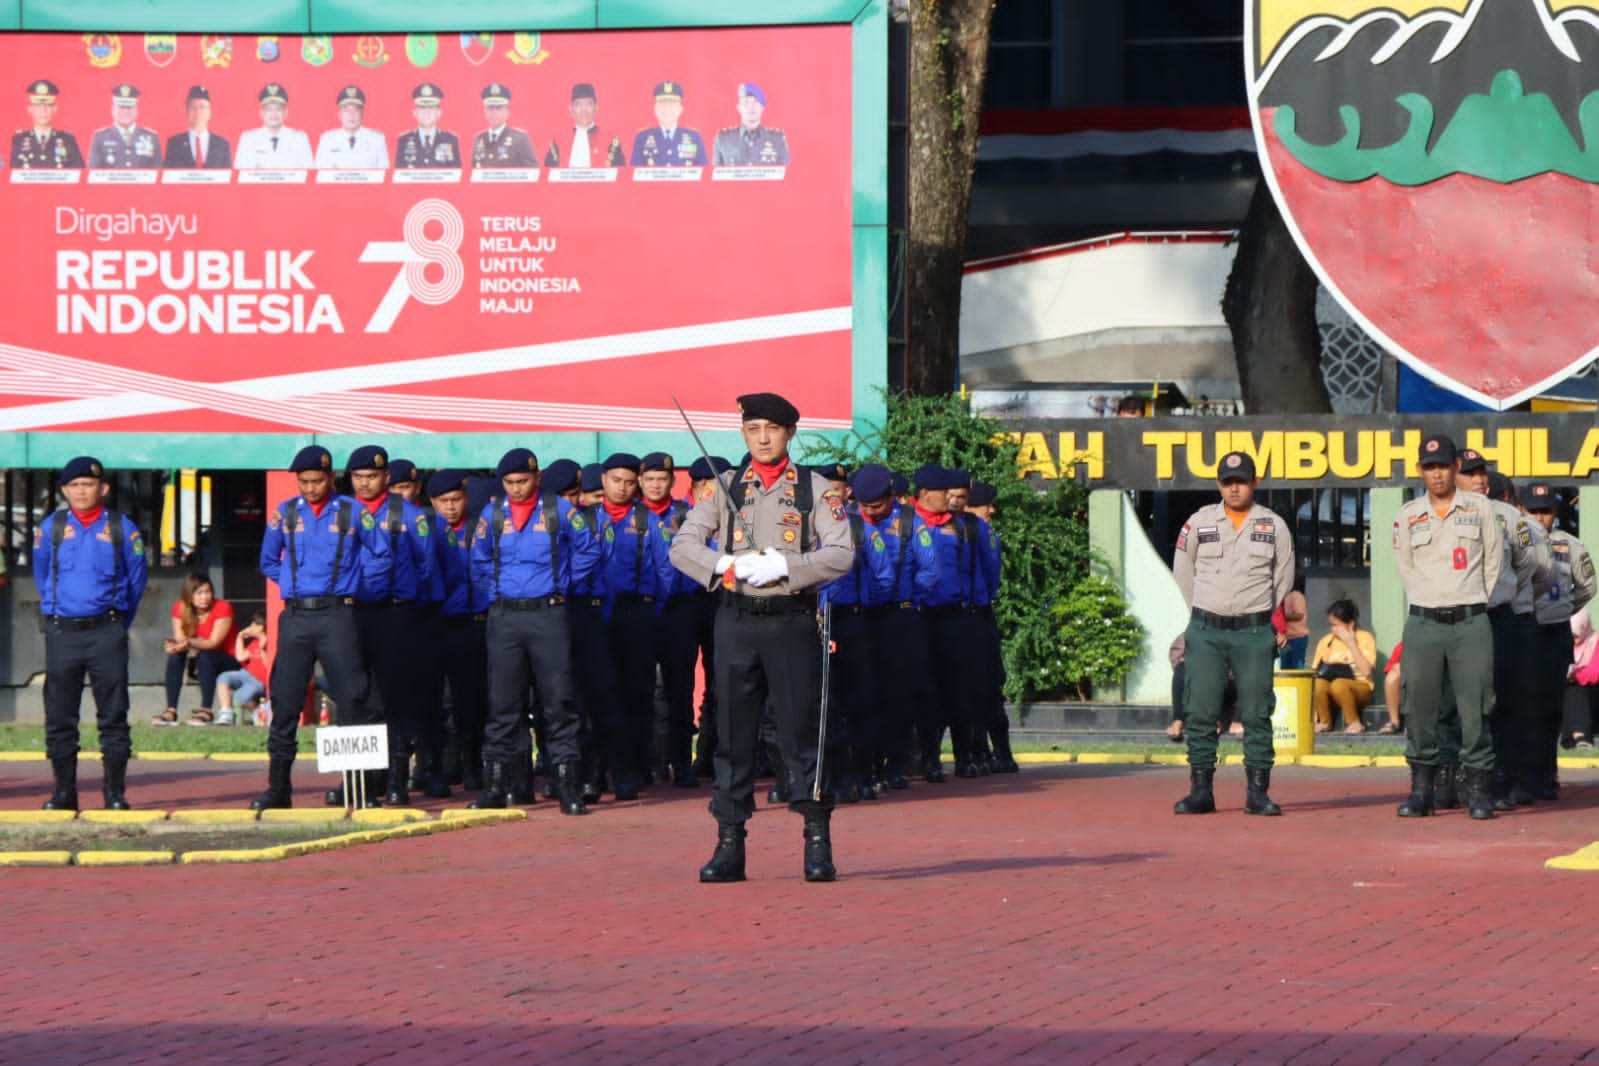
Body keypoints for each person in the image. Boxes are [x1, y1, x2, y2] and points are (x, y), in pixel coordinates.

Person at [669, 392, 853, 883]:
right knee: (732, 735)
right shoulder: (726, 488)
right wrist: (723, 564)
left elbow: (840, 554)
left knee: (801, 733)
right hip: (736, 620)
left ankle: (817, 840)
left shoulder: (816, 491)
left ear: (790, 432)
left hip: (790, 621)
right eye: (754, 429)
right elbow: (683, 546)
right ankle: (730, 843)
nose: (763, 437)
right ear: (744, 434)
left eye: (773, 428)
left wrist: (787, 567)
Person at [251, 445, 387, 811]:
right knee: (285, 701)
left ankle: (359, 788)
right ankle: (278, 788)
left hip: (337, 615)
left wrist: (354, 585)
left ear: (330, 478)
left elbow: (381, 555)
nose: (310, 488)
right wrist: (294, 584)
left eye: (317, 481)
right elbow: (267, 560)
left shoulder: (352, 511)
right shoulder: (285, 514)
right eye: (304, 482)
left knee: (352, 700)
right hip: (296, 616)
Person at [469, 448, 600, 814]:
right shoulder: (492, 513)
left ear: (537, 477)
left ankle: (567, 787)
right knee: (503, 704)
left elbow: (589, 550)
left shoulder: (560, 509)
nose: (517, 489)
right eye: (509, 483)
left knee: (559, 701)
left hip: (549, 615)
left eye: (523, 481)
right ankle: (498, 786)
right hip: (505, 617)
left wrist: (563, 584)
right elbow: (477, 559)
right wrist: (496, 593)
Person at [1170, 451, 1294, 816]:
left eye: (1241, 480)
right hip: (1207, 630)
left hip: (1253, 631)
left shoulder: (1273, 525)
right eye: (1228, 481)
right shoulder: (1199, 522)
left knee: (1256, 711)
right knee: (1201, 710)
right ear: (1218, 484)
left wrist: (1257, 610)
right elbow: (1183, 570)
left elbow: (1283, 576)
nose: (1234, 487)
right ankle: (1200, 790)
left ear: (1255, 482)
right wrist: (1204, 610)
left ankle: (1257, 792)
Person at [1391, 434, 1502, 820]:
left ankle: (1478, 791)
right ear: (1420, 471)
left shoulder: (1480, 508)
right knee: (1419, 706)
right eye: (1429, 467)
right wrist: (1429, 597)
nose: (1437, 474)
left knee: (1476, 707)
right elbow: (1405, 567)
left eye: (1443, 466)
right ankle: (1422, 789)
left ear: (1456, 467)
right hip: (1424, 622)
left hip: (1470, 621)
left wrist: (1472, 598)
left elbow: (1493, 562)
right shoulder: (1408, 514)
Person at [33, 456, 149, 811]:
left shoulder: (121, 528)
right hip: (63, 634)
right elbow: (42, 576)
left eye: (88, 484)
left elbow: (136, 580)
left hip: (106, 633)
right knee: (59, 716)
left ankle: (114, 793)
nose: (82, 491)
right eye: (75, 485)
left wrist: (116, 625)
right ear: (65, 490)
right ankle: (64, 792)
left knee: (113, 715)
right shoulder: (51, 528)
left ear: (104, 488)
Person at [342, 445, 434, 805]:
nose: (365, 483)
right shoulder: (340, 513)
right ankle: (359, 780)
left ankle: (395, 778)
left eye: (372, 476)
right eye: (358, 477)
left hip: (394, 613)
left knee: (394, 699)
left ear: (385, 479)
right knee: (353, 698)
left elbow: (425, 566)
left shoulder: (410, 516)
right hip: (349, 614)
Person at [1461, 457, 1547, 809]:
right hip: (1461, 619)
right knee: (1463, 704)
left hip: (1503, 616)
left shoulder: (1510, 518)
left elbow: (1536, 567)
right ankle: (1455, 781)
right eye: (1470, 473)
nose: (1478, 480)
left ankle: (1503, 780)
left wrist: (1507, 592)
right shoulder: (1439, 513)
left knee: (1506, 701)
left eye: (1481, 473)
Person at [592, 452, 670, 799]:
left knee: (638, 693)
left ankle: (637, 766)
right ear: (604, 480)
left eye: (628, 481)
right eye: (615, 481)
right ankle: (599, 768)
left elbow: (664, 569)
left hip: (636, 614)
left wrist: (653, 612)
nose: (622, 488)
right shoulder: (586, 518)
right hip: (596, 616)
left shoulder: (646, 520)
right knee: (598, 693)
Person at [818, 463, 895, 802]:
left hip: (853, 621)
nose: (833, 495)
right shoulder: (802, 528)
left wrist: (862, 605)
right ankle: (824, 777)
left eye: (838, 488)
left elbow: (884, 578)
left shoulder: (863, 531)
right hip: (814, 622)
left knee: (860, 700)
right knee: (821, 703)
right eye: (826, 489)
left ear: (847, 492)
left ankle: (861, 774)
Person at [1522, 481, 1596, 803]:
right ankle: (1520, 775)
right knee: (1521, 707)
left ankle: (1545, 775)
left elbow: (1587, 586)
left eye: (1546, 511)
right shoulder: (1513, 544)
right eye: (1534, 511)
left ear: (1555, 512)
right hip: (1522, 630)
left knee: (1551, 708)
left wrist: (1566, 608)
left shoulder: (1570, 546)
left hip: (1553, 632)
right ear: (1523, 510)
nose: (1541, 518)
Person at [425, 469, 491, 792]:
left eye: (456, 499)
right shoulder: (426, 530)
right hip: (437, 625)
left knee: (472, 700)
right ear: (432, 502)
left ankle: (473, 766)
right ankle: (439, 767)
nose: (451, 507)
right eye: (443, 501)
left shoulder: (480, 528)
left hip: (474, 624)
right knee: (439, 702)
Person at [640, 452, 701, 787]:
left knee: (680, 689)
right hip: (645, 611)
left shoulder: (687, 515)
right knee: (645, 689)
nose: (655, 485)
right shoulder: (632, 516)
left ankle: (681, 760)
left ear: (671, 482)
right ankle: (651, 760)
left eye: (661, 479)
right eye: (649, 479)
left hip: (680, 610)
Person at [687, 455, 732, 777]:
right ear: (697, 487)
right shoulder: (681, 517)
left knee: (723, 683)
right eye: (710, 487)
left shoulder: (734, 516)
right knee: (676, 685)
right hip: (684, 605)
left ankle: (714, 753)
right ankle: (678, 757)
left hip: (722, 602)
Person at [154, 573, 239, 727]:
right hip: (197, 656)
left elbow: (214, 642)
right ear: (189, 595)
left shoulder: (223, 607)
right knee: (175, 656)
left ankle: (206, 709)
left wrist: (188, 642)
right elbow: (181, 639)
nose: (204, 597)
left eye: (208, 592)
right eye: (199, 593)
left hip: (227, 658)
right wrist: (174, 646)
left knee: (206, 655)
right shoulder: (180, 607)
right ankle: (171, 710)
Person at [1309, 600, 1377, 733]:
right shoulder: (1326, 641)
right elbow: (1315, 673)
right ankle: (1324, 721)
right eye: (1331, 625)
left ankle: (1354, 722)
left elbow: (1367, 671)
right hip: (1331, 689)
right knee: (1318, 684)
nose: (1333, 629)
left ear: (1350, 624)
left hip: (1359, 688)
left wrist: (1351, 643)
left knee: (1339, 684)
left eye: (1336, 625)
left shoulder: (1364, 638)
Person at [545, 82, 624, 168]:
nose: (584, 110)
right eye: (578, 104)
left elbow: (620, 172)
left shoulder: (611, 139)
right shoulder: (558, 140)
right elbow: (548, 172)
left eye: (588, 104)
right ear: (571, 109)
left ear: (596, 108)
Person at [235, 83, 313, 168]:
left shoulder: (299, 138)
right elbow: (240, 173)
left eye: (278, 109)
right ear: (261, 113)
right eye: (269, 110)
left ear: (286, 113)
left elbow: (309, 173)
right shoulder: (248, 139)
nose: (274, 114)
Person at [630, 80, 707, 166]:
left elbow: (703, 174)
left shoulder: (694, 137)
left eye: (672, 105)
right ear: (655, 109)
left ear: (680, 109)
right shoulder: (642, 138)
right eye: (662, 104)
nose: (667, 109)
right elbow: (634, 174)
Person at [712, 82, 789, 166]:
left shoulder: (777, 139)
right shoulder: (724, 139)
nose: (751, 107)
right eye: (746, 102)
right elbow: (716, 176)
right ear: (739, 108)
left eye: (756, 102)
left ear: (762, 107)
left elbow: (786, 176)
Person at [11, 80, 83, 168]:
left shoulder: (68, 140)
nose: (43, 111)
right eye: (38, 107)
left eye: (48, 106)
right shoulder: (19, 140)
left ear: (55, 110)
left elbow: (79, 174)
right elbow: (12, 175)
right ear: (30, 110)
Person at [216, 611, 270, 725]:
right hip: (245, 674)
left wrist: (263, 645)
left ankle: (257, 712)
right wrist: (240, 637)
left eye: (253, 624)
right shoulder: (254, 642)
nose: (250, 627)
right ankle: (226, 712)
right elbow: (241, 657)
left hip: (259, 680)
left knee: (240, 697)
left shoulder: (269, 642)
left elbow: (268, 666)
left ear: (260, 627)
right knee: (223, 677)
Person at [314, 84, 388, 168]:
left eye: (356, 110)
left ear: (362, 114)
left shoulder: (376, 139)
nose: (351, 115)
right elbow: (318, 172)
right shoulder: (327, 139)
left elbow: (384, 174)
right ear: (339, 114)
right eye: (346, 110)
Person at [89, 83, 161, 168]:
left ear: (137, 110)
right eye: (121, 107)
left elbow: (158, 173)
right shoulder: (100, 138)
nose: (125, 112)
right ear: (113, 110)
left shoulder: (151, 137)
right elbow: (93, 174)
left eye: (129, 107)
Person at [394, 83, 461, 169]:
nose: (426, 113)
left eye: (431, 108)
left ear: (439, 113)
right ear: (415, 113)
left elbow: (457, 175)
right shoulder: (403, 140)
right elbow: (399, 174)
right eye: (422, 108)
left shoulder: (451, 140)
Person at [163, 85, 231, 168]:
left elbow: (228, 178)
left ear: (209, 112)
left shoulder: (221, 145)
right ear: (186, 111)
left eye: (202, 107)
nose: (197, 112)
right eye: (193, 107)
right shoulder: (174, 144)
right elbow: (168, 177)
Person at [472, 83, 537, 167]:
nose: (494, 112)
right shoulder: (479, 138)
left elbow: (533, 173)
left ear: (507, 111)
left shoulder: (520, 138)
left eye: (499, 107)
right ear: (485, 111)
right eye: (490, 107)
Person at [1564, 611, 1599, 749]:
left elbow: (1594, 674)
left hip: (1593, 701)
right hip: (1565, 706)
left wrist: (1573, 675)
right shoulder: (1558, 644)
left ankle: (1580, 736)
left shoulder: (1595, 643)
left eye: (1576, 635)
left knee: (1575, 689)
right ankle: (1576, 737)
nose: (1572, 638)